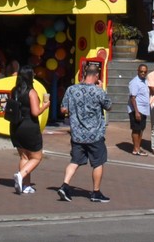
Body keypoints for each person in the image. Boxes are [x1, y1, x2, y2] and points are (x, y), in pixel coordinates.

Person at [55, 59, 112, 203]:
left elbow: (63, 109)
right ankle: (96, 192)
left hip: (77, 135)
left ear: (84, 74)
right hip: (95, 135)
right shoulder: (97, 91)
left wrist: (74, 111)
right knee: (98, 162)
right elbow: (108, 106)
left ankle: (65, 185)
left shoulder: (71, 89)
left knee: (75, 161)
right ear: (96, 76)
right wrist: (101, 89)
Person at [6, 64, 44, 194]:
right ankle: (21, 175)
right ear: (29, 76)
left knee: (24, 157)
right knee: (37, 157)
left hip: (16, 126)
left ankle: (26, 186)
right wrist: (45, 105)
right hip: (29, 127)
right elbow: (35, 112)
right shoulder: (31, 92)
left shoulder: (14, 90)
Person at [126, 62, 152, 157]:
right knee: (136, 129)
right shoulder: (135, 82)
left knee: (141, 129)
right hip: (136, 110)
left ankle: (138, 147)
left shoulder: (145, 81)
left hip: (144, 110)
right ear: (138, 71)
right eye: (141, 71)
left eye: (145, 72)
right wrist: (136, 112)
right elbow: (133, 98)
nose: (143, 73)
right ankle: (136, 149)